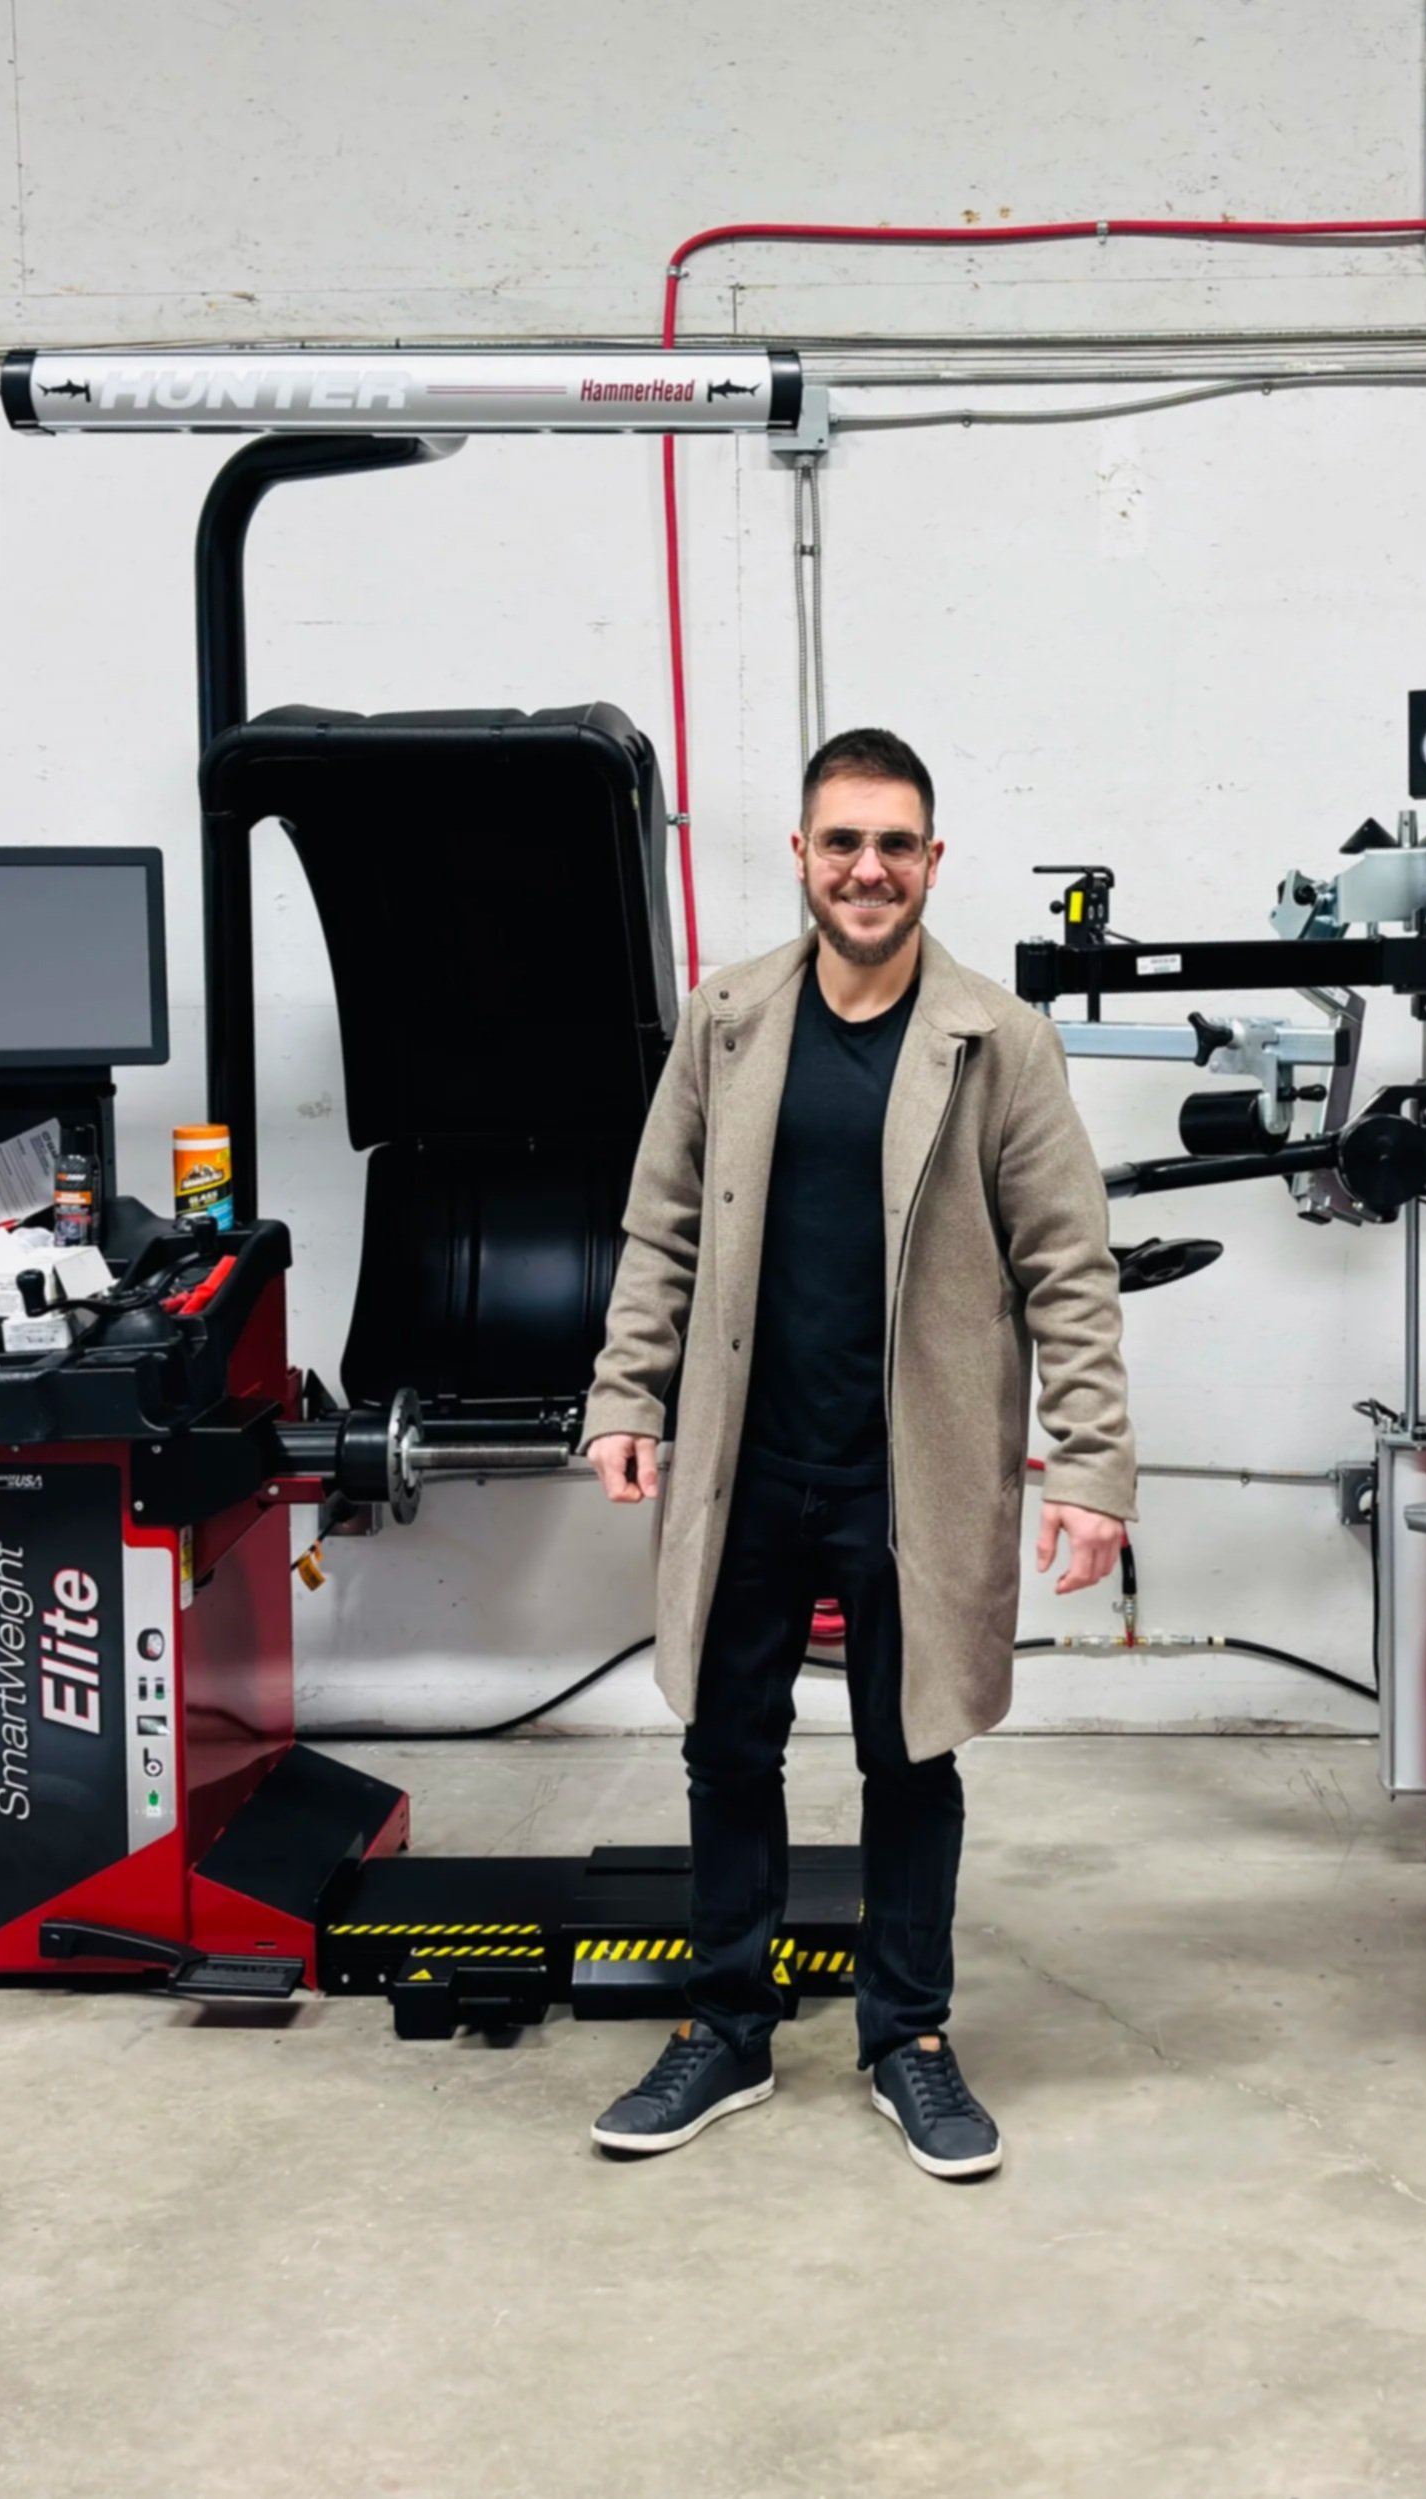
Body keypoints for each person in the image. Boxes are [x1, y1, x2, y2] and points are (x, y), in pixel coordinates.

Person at [579, 725, 1135, 2179]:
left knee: (913, 1753)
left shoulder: (998, 1038)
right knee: (726, 1744)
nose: (869, 869)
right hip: (749, 1456)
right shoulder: (729, 1019)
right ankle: (728, 2025)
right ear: (805, 857)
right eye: (844, 842)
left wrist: (1089, 1470)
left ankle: (910, 2039)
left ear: (933, 861)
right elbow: (662, 1228)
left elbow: (1069, 1267)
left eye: (896, 844)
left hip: (915, 1466)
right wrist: (628, 1399)